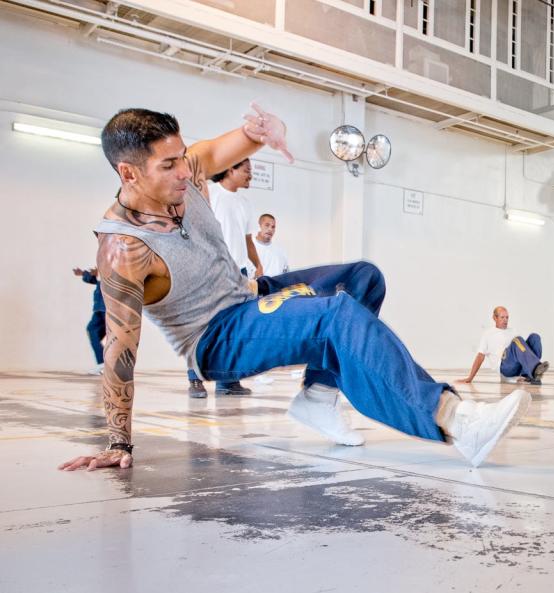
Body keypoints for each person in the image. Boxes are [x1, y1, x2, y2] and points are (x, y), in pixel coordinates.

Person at [58, 104, 529, 472]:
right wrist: (118, 441)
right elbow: (119, 350)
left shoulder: (190, 171)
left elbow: (236, 143)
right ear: (128, 173)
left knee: (362, 278)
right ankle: (455, 420)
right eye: (168, 165)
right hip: (215, 339)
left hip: (249, 295)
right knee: (335, 316)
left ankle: (318, 397)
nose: (185, 171)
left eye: (182, 157)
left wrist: (265, 132)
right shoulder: (124, 249)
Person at [186, 158, 264, 398]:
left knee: (235, 327)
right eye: (247, 171)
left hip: (238, 272)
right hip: (212, 268)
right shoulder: (212, 194)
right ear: (230, 169)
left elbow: (247, 238)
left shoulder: (245, 203)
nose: (250, 175)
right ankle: (195, 380)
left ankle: (228, 381)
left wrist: (257, 263)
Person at [458, 307, 549, 385]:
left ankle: (532, 375)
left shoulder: (513, 330)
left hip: (518, 365)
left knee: (534, 337)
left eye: (507, 317)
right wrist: (470, 378)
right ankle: (535, 370)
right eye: (502, 317)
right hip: (505, 367)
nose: (505, 320)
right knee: (517, 340)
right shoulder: (488, 334)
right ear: (495, 318)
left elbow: (523, 350)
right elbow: (480, 356)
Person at [73, 266, 105, 375]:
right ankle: (102, 363)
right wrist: (83, 273)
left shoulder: (114, 264)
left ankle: (105, 364)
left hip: (109, 309)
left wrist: (99, 273)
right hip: (99, 308)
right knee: (92, 330)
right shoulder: (104, 261)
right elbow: (94, 279)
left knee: (113, 336)